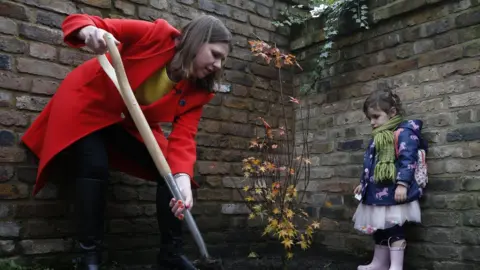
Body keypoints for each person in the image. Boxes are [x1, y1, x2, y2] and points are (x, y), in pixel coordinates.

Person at [20, 13, 232, 270]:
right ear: (198, 41)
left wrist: (183, 179)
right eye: (215, 54)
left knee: (172, 177)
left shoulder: (197, 90)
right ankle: (89, 258)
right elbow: (79, 21)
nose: (219, 65)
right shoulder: (156, 35)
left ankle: (171, 256)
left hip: (126, 122)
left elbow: (184, 137)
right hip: (87, 104)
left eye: (223, 59)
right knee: (94, 165)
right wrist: (89, 32)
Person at [352, 89, 427, 270]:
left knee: (394, 229)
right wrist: (363, 184)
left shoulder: (403, 134)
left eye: (376, 117)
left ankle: (396, 266)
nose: (372, 122)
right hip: (375, 195)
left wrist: (402, 184)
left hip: (394, 195)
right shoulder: (377, 138)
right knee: (380, 229)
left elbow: (407, 160)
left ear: (392, 113)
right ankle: (379, 262)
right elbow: (371, 165)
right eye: (370, 118)